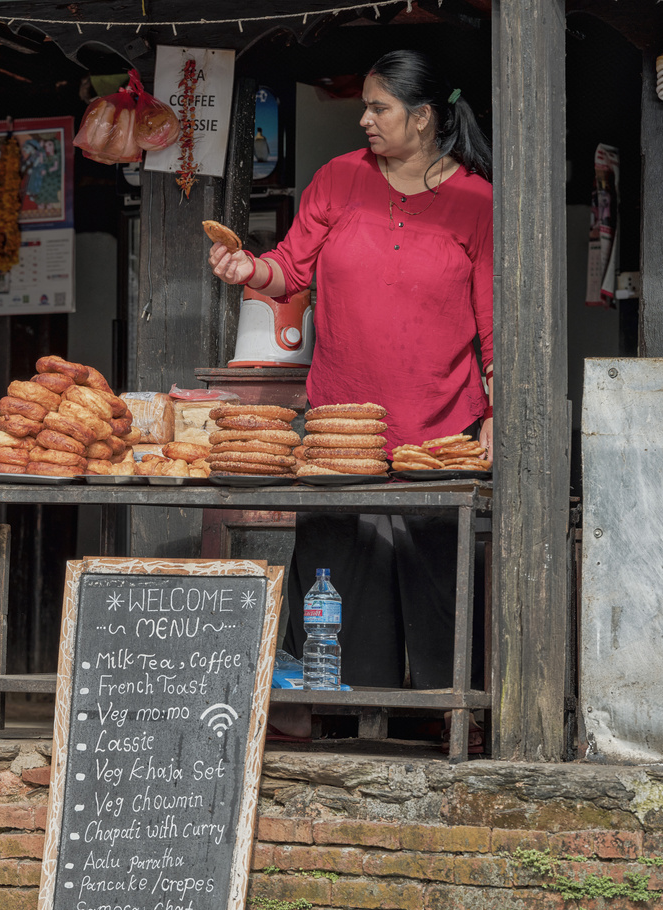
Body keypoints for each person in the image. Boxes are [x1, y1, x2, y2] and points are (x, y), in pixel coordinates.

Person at [209, 50, 492, 694]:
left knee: (440, 591)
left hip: (438, 433)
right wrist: (247, 269)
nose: (364, 119)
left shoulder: (477, 203)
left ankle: (448, 727)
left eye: (378, 108)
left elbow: (495, 325)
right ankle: (346, 726)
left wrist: (496, 415)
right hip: (340, 432)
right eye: (365, 105)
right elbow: (291, 267)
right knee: (341, 587)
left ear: (422, 118)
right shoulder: (337, 178)